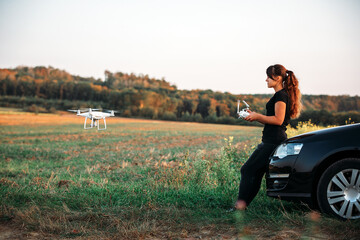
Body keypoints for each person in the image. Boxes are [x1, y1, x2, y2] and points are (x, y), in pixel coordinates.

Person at [235, 64, 302, 210]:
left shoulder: (281, 95)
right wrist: (253, 115)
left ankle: (240, 206)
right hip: (271, 140)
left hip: (273, 141)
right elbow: (274, 119)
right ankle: (242, 206)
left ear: (277, 78)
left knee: (248, 170)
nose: (266, 80)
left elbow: (278, 120)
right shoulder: (281, 95)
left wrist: (257, 116)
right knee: (254, 171)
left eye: (268, 77)